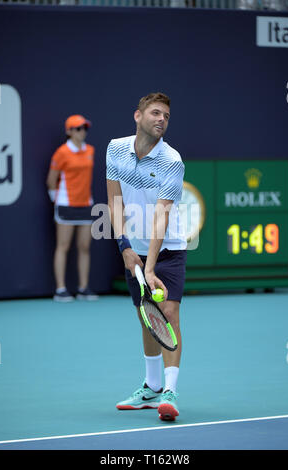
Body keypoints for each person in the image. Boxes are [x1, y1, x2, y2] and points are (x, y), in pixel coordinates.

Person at [106, 92, 187, 421]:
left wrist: (149, 266)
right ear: (137, 116)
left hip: (168, 249)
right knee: (146, 313)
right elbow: (114, 201)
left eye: (166, 116)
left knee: (167, 313)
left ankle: (170, 391)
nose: (161, 120)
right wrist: (125, 248)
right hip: (133, 248)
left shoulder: (172, 161)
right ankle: (151, 387)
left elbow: (161, 217)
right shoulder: (115, 148)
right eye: (155, 113)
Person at [46, 114, 98, 302]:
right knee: (63, 247)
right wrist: (58, 201)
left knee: (84, 247)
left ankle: (83, 288)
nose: (82, 132)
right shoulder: (61, 153)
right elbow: (51, 181)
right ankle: (60, 289)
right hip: (66, 205)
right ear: (69, 132)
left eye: (84, 128)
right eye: (78, 128)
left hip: (86, 204)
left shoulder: (90, 150)